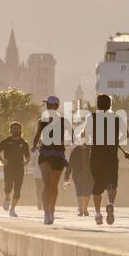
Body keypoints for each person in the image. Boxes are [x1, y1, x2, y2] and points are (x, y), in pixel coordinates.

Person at [82, 94, 129, 225]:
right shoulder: (116, 118)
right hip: (111, 154)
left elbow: (86, 137)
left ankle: (97, 214)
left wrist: (88, 139)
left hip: (96, 154)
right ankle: (111, 204)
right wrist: (116, 141)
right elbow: (126, 134)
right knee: (112, 182)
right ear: (110, 105)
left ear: (97, 104)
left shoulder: (91, 117)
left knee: (97, 184)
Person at [32, 96, 73, 225]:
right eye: (47, 105)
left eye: (50, 105)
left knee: (54, 185)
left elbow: (72, 136)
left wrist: (68, 142)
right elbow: (38, 135)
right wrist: (34, 146)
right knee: (46, 183)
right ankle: (46, 212)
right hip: (45, 152)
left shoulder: (64, 121)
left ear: (56, 106)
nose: (48, 107)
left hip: (58, 154)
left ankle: (52, 209)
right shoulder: (42, 121)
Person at [0, 121, 30, 217]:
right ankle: (7, 198)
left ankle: (13, 209)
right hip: (8, 167)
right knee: (8, 186)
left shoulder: (24, 143)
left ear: (20, 130)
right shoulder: (5, 141)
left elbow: (28, 156)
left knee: (17, 189)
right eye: (14, 128)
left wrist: (26, 162)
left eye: (18, 128)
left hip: (19, 168)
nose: (16, 130)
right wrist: (2, 161)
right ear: (10, 130)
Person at [64, 143, 94, 216]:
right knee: (79, 190)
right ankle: (80, 210)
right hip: (78, 174)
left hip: (90, 174)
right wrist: (67, 175)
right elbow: (70, 163)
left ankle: (85, 209)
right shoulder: (75, 151)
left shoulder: (92, 150)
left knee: (88, 191)